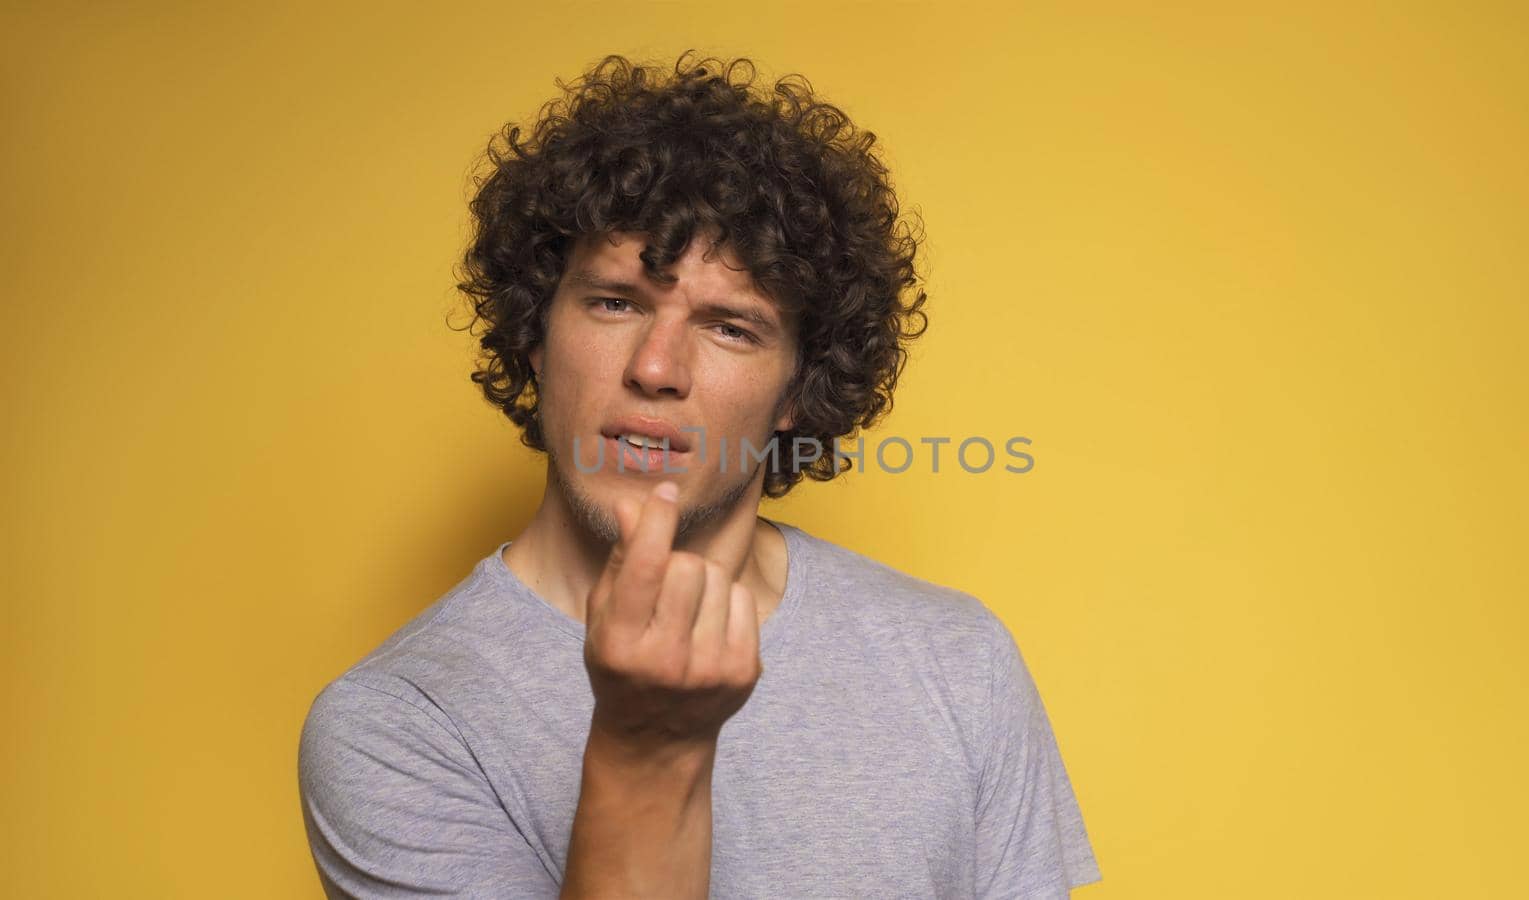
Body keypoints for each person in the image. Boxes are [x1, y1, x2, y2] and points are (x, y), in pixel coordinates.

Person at [297, 51, 1102, 898]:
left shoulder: (954, 659)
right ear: (537, 336)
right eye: (615, 303)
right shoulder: (396, 723)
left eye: (729, 328)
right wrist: (648, 747)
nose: (655, 368)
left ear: (798, 387)